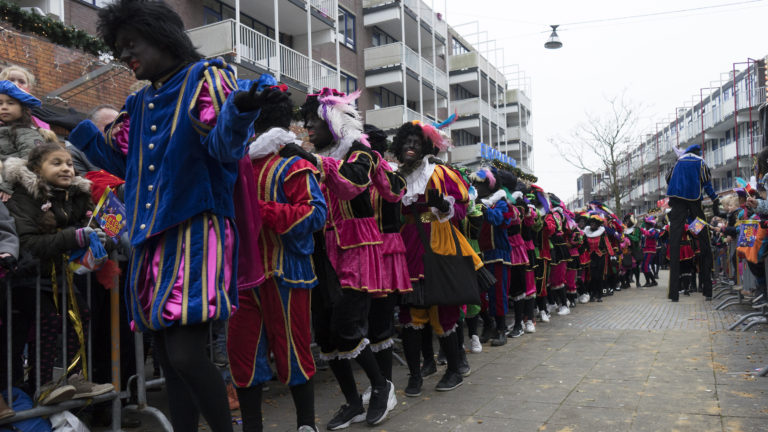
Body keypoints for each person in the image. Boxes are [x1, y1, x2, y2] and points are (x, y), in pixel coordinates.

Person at [69, 1, 283, 430]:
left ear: (161, 36)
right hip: (150, 239)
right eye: (118, 47)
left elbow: (223, 148)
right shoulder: (140, 100)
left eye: (131, 44)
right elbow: (120, 159)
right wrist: (72, 124)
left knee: (186, 352)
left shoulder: (205, 77)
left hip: (196, 229)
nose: (125, 55)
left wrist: (239, 112)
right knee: (169, 357)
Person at [280, 88, 397, 430]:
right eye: (306, 122)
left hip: (356, 250)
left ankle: (380, 387)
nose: (308, 128)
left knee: (348, 328)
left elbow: (353, 185)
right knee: (327, 335)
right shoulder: (315, 156)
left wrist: (314, 162)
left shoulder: (361, 151)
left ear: (333, 121)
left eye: (315, 121)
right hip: (319, 251)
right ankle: (351, 403)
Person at [227, 76, 327, 432]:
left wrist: (262, 211)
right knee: (243, 354)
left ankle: (305, 425)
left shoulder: (293, 165)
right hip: (242, 276)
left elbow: (316, 213)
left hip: (285, 270)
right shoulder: (237, 165)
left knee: (294, 350)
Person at [3, 144, 114, 404]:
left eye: (69, 163)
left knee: (82, 315)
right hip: (28, 279)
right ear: (36, 169)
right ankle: (41, 385)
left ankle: (74, 377)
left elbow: (94, 228)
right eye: (56, 163)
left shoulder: (75, 196)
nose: (66, 168)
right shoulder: (24, 197)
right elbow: (27, 243)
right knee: (50, 320)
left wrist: (103, 239)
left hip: (62, 277)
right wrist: (72, 237)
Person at [393, 121, 483, 396]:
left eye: (416, 142)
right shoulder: (397, 177)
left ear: (426, 146)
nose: (410, 146)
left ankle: (454, 369)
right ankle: (415, 375)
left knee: (445, 311)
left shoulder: (441, 173)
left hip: (438, 245)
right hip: (407, 248)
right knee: (410, 315)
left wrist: (441, 208)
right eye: (406, 142)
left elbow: (461, 211)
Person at [666, 143, 720, 301]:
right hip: (694, 203)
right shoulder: (701, 162)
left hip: (676, 203)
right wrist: (715, 199)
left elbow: (668, 179)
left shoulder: (679, 162)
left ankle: (674, 294)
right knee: (704, 241)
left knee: (674, 242)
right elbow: (707, 184)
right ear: (698, 152)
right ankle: (707, 290)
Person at [0, 80, 58, 200]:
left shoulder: (26, 132)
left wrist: (6, 185)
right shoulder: (4, 130)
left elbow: (31, 159)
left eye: (10, 103)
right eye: (0, 104)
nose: (4, 107)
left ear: (23, 108)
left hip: (18, 190)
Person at [0, 65, 50, 130]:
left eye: (21, 82)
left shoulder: (38, 117)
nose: (16, 84)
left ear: (28, 87)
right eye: (11, 80)